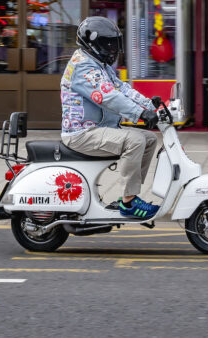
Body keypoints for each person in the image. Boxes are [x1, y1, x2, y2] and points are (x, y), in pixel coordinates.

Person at [60, 16, 161, 219]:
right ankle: (129, 203)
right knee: (135, 140)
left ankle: (129, 196)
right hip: (81, 133)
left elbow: (121, 88)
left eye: (114, 43)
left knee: (150, 139)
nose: (113, 49)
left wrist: (150, 105)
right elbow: (107, 95)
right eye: (108, 43)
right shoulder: (83, 66)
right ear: (93, 43)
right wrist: (139, 113)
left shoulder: (98, 64)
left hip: (98, 128)